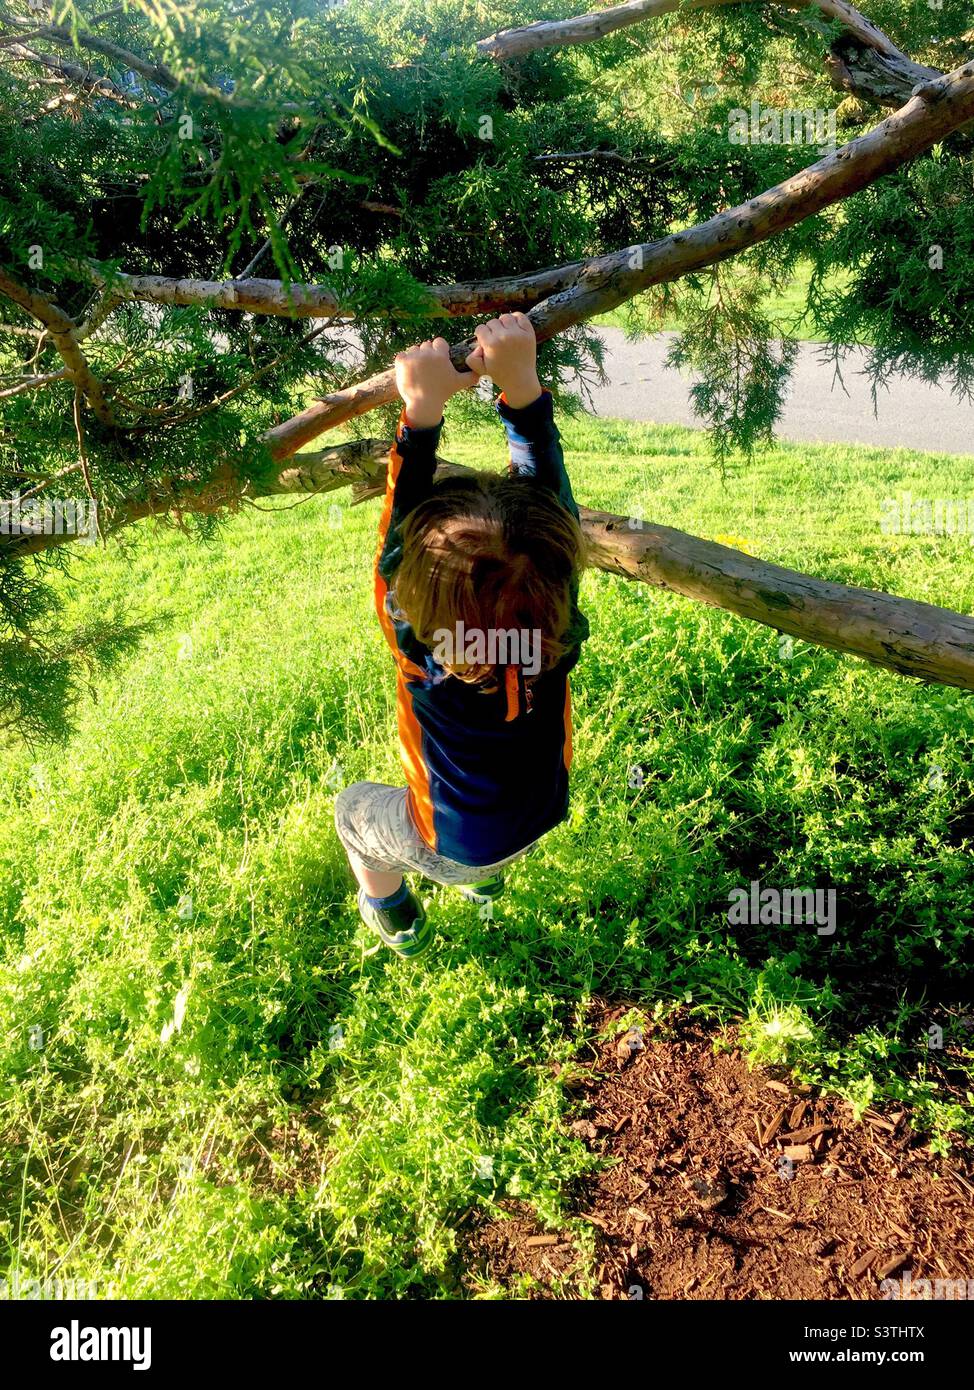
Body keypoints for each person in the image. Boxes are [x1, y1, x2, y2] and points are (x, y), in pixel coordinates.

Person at [334, 312, 589, 957]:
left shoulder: (416, 652)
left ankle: (394, 915)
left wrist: (421, 415)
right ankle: (484, 886)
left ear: (412, 596)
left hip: (450, 844)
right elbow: (549, 512)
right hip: (540, 812)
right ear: (559, 568)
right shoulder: (555, 626)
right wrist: (518, 390)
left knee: (354, 813)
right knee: (485, 834)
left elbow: (397, 530)